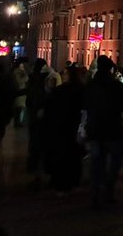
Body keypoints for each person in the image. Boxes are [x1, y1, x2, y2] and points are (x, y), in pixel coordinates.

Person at [84, 55, 123, 208]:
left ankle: (95, 194)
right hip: (113, 130)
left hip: (95, 129)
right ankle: (108, 191)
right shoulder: (116, 86)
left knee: (97, 163)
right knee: (115, 163)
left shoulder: (90, 85)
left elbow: (84, 104)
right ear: (111, 68)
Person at [43, 66, 85, 194]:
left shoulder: (59, 91)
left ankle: (61, 182)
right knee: (75, 155)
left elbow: (50, 108)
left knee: (61, 155)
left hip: (60, 127)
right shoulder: (82, 90)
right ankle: (74, 180)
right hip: (75, 127)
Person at [12, 60, 29, 128]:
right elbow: (20, 81)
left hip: (20, 92)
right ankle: (18, 123)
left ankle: (18, 122)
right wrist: (26, 77)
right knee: (19, 109)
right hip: (19, 92)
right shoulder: (18, 72)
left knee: (19, 109)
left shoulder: (17, 72)